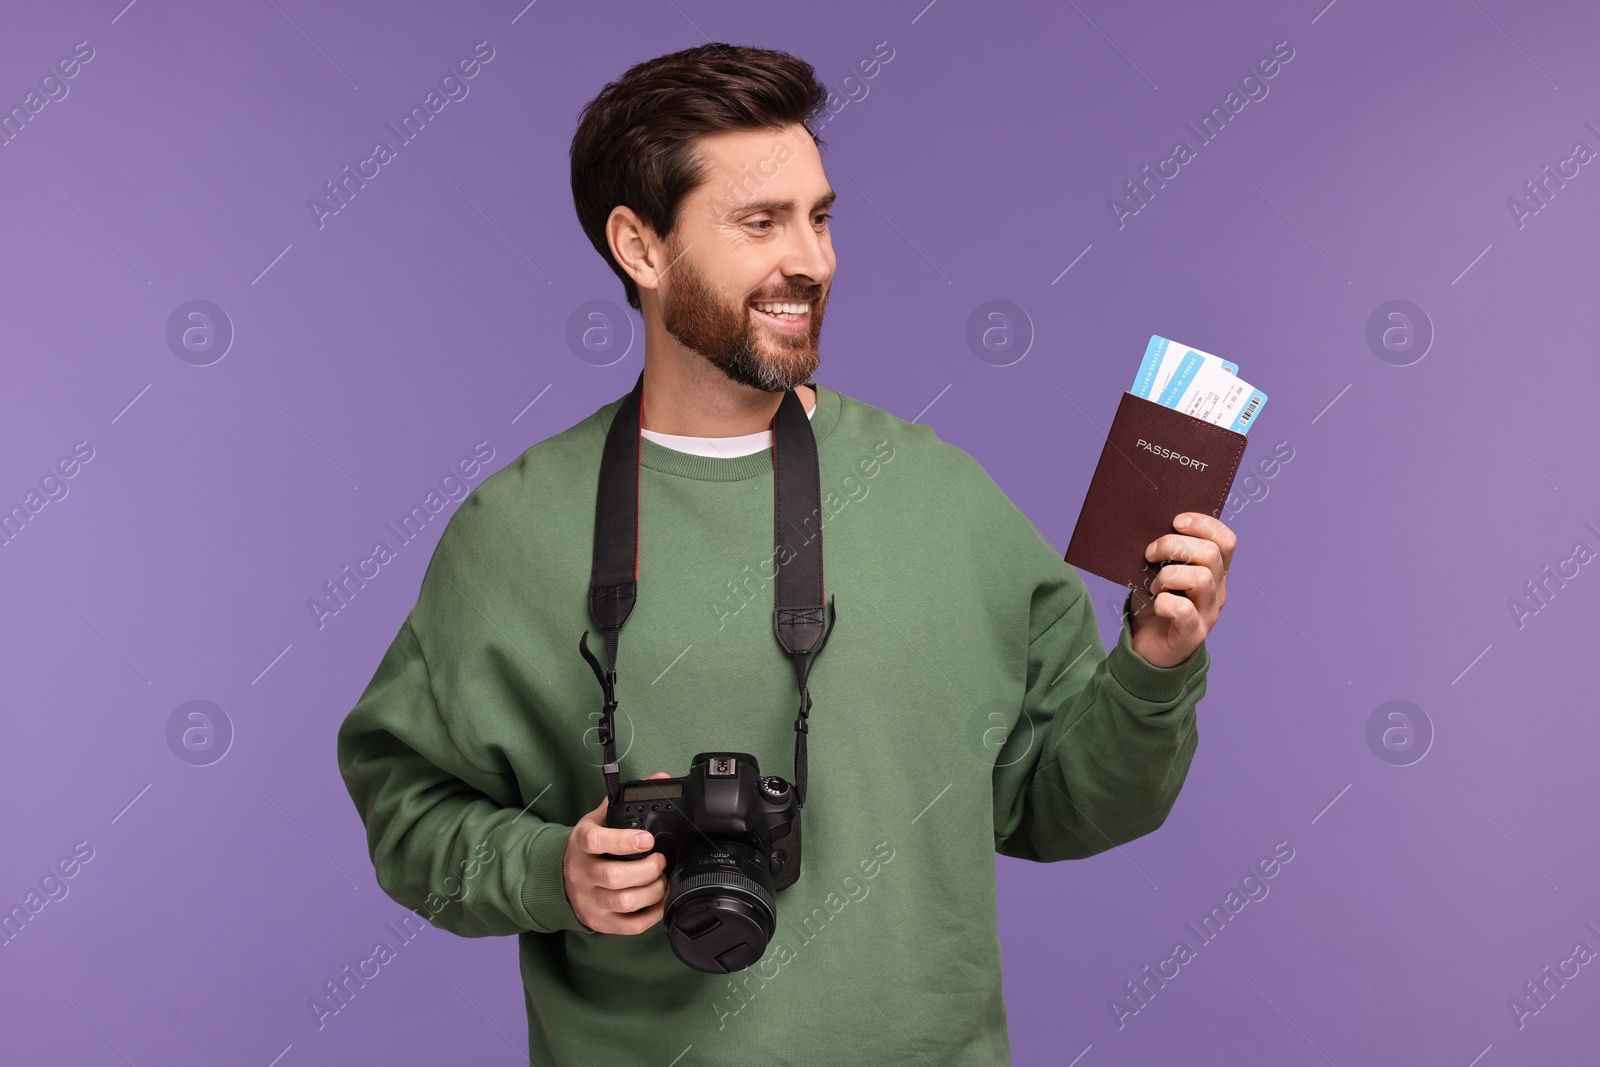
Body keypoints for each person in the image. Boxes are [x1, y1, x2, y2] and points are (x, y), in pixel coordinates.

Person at [336, 41, 1235, 1066]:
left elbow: (1062, 803)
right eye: (760, 222)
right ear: (639, 246)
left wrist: (1156, 670)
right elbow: (406, 813)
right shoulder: (511, 533)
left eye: (819, 215)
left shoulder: (946, 501)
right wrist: (554, 869)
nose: (809, 259)